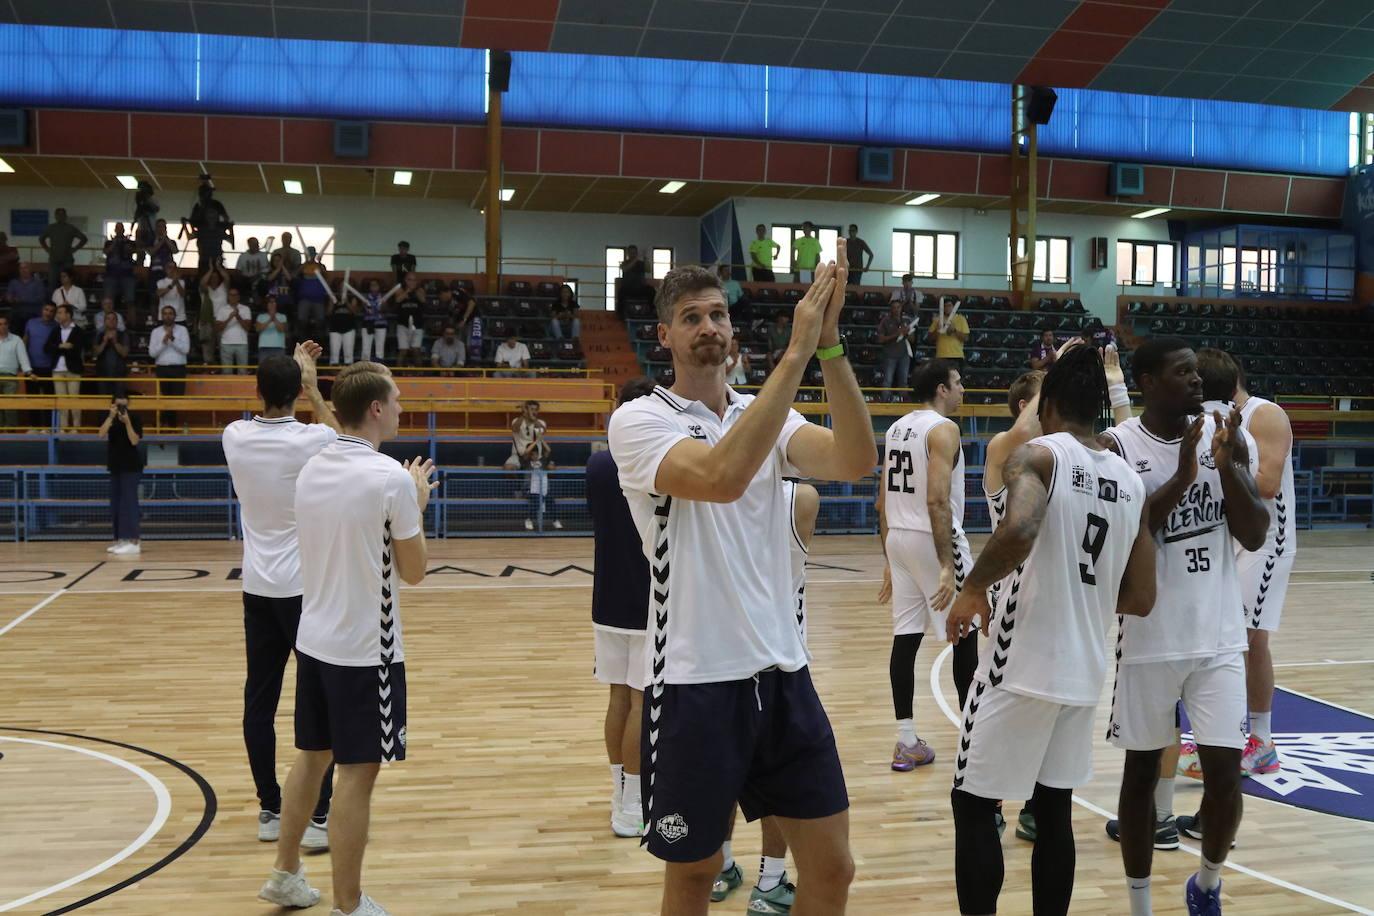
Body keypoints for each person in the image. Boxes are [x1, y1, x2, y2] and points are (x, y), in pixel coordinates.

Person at [607, 247, 873, 913]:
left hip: (784, 677)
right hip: (693, 687)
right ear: (663, 336)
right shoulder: (640, 420)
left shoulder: (770, 415)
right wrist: (796, 353)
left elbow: (854, 458)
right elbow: (720, 478)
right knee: (693, 877)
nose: (710, 327)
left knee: (834, 871)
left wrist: (830, 348)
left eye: (719, 314)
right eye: (691, 317)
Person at [945, 345, 1156, 916]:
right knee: (1055, 811)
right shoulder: (1130, 482)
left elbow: (1018, 530)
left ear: (1051, 403)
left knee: (973, 805)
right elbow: (1141, 596)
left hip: (1020, 663)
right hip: (1085, 670)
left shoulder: (1039, 457)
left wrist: (970, 589)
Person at [256, 361, 436, 916]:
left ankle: (286, 873)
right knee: (358, 775)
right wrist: (418, 503)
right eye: (397, 399)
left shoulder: (314, 467)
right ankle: (349, 904)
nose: (403, 407)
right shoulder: (390, 480)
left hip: (315, 641)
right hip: (366, 652)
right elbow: (414, 570)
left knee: (311, 759)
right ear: (377, 409)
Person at [1098, 337, 1267, 916]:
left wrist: (1228, 465)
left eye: (1198, 372)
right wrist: (1187, 471)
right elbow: (1135, 529)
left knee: (1226, 777)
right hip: (1149, 638)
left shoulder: (1225, 429)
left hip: (1218, 635)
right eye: (1183, 372)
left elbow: (1254, 532)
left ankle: (1208, 884)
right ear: (1146, 381)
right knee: (1141, 776)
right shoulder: (1118, 445)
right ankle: (1140, 903)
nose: (1197, 381)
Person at [224, 344, 342, 851]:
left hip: (256, 588)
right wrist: (313, 383)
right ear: (295, 392)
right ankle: (318, 814)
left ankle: (269, 808)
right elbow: (348, 438)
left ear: (256, 391)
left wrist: (296, 377)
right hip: (303, 590)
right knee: (318, 697)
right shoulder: (309, 440)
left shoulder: (234, 436)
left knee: (259, 699)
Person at [712, 480, 820, 913]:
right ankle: (771, 881)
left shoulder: (705, 487)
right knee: (777, 779)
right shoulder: (801, 497)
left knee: (723, 775)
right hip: (778, 660)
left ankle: (720, 868)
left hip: (717, 656)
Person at [1194, 349, 1296, 784]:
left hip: (1267, 541)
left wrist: (1216, 465)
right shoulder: (1212, 420)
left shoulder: (1264, 414)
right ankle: (1229, 738)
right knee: (1228, 638)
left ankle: (1260, 742)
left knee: (1249, 640)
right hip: (1233, 538)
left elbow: (1268, 484)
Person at [877, 358, 976, 772]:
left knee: (906, 638)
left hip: (899, 536)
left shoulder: (897, 428)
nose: (962, 389)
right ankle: (976, 740)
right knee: (966, 634)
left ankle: (906, 740)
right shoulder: (943, 428)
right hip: (932, 537)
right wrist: (947, 564)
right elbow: (937, 500)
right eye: (957, 383)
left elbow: (882, 498)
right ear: (940, 389)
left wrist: (888, 556)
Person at [586, 377, 658, 838]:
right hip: (650, 597)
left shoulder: (596, 464)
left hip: (606, 595)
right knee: (641, 700)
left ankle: (620, 792)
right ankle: (633, 803)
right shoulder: (653, 464)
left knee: (617, 697)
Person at [100, 391, 144, 556]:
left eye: (123, 405)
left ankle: (134, 540)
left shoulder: (135, 419)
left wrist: (127, 423)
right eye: (118, 405)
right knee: (116, 504)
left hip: (131, 467)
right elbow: (100, 434)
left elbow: (134, 440)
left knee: (129, 502)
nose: (121, 408)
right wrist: (111, 417)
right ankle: (120, 539)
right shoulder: (109, 419)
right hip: (115, 466)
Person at [507, 400, 559, 530]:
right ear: (525, 410)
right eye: (531, 409)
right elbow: (514, 428)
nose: (533, 411)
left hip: (535, 457)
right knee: (509, 468)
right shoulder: (517, 421)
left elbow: (543, 430)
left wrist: (532, 418)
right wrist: (524, 415)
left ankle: (530, 492)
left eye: (535, 409)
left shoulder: (540, 423)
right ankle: (519, 489)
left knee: (543, 470)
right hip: (518, 455)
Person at [149, 305, 191, 427]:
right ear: (161, 316)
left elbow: (186, 350)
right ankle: (164, 425)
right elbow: (152, 353)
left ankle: (170, 425)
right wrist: (163, 342)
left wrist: (172, 339)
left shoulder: (182, 330)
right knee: (164, 398)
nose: (168, 316)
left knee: (176, 399)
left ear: (175, 316)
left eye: (170, 313)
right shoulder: (155, 332)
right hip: (162, 368)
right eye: (165, 313)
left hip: (178, 369)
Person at [46, 303, 85, 431]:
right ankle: (63, 427)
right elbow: (47, 347)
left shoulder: (78, 331)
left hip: (73, 370)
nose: (58, 315)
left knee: (74, 400)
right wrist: (61, 346)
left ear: (68, 314)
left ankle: (76, 427)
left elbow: (77, 349)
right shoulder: (55, 330)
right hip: (57, 370)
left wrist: (61, 348)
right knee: (61, 401)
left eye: (60, 312)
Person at [345, 277, 399, 365]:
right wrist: (364, 304)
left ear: (379, 286)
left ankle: (379, 369)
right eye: (372, 285)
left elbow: (388, 310)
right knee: (366, 348)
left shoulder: (383, 297)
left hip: (381, 324)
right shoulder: (364, 297)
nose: (374, 287)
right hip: (368, 324)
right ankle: (364, 369)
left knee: (380, 349)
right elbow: (358, 311)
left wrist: (383, 305)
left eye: (375, 285)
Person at [23, 302, 57, 429]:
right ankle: (34, 426)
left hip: (50, 368)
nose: (48, 313)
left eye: (51, 311)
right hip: (32, 367)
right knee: (32, 397)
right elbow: (25, 341)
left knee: (49, 399)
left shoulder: (56, 326)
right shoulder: (31, 323)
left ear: (54, 313)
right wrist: (24, 363)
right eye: (46, 310)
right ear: (42, 310)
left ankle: (48, 427)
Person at [38, 207, 88, 290]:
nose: (60, 216)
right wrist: (47, 249)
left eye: (62, 214)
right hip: (54, 261)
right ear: (55, 216)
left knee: (67, 284)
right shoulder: (51, 228)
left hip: (67, 261)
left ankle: (67, 303)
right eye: (59, 214)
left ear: (65, 216)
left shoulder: (70, 228)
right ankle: (53, 302)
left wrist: (75, 249)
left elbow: (84, 238)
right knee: (52, 284)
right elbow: (41, 239)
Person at [294, 249, 334, 347]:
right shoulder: (302, 267)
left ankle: (319, 345)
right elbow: (294, 276)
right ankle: (302, 343)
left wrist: (319, 264)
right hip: (304, 299)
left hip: (318, 299)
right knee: (302, 320)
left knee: (320, 321)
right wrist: (304, 264)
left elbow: (328, 278)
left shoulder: (320, 266)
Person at [0, 314, 33, 430]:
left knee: (10, 405)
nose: (2, 326)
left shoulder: (16, 339)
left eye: (5, 324)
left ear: (8, 325)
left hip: (10, 377)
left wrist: (29, 372)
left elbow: (23, 358)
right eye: (0, 324)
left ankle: (10, 430)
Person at [877, 300, 915, 392]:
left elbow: (912, 340)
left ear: (901, 308)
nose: (896, 309)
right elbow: (880, 339)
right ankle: (885, 403)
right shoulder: (885, 321)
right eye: (894, 307)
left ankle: (903, 404)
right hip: (890, 355)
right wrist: (896, 334)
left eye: (898, 307)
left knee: (903, 381)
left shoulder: (906, 320)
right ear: (890, 309)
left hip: (904, 355)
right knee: (887, 381)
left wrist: (907, 333)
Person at [199, 262, 231, 368]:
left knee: (224, 349)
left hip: (222, 322)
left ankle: (224, 372)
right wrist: (211, 270)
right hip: (208, 323)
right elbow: (202, 283)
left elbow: (227, 278)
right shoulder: (205, 290)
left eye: (216, 277)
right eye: (212, 277)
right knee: (208, 349)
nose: (214, 279)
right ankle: (209, 371)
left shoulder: (223, 288)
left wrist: (218, 268)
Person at [93, 310, 131, 395]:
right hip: (103, 374)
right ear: (104, 321)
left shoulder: (123, 335)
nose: (111, 321)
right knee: (103, 403)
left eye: (114, 319)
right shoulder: (99, 335)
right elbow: (95, 353)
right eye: (108, 319)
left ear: (117, 322)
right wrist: (104, 342)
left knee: (119, 403)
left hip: (119, 375)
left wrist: (115, 342)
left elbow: (124, 353)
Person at [217, 286, 254, 374]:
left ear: (238, 297)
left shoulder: (245, 309)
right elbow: (218, 328)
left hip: (242, 344)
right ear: (228, 296)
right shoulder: (222, 309)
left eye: (235, 295)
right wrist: (230, 317)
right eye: (231, 295)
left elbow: (248, 328)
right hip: (226, 344)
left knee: (242, 371)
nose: (233, 297)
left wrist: (238, 316)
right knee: (226, 372)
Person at [102, 223, 138, 313]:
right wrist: (115, 242)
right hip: (111, 275)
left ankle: (132, 325)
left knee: (130, 301)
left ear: (123, 230)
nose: (119, 230)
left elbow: (133, 250)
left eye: (121, 228)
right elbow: (106, 252)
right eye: (117, 228)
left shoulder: (129, 242)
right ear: (115, 230)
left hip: (127, 275)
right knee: (108, 301)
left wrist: (125, 242)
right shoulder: (109, 242)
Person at [392, 274, 426, 367]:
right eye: (409, 280)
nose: (411, 282)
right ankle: (398, 374)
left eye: (414, 280)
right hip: (402, 324)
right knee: (403, 350)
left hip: (417, 324)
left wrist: (414, 291)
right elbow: (398, 300)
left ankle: (420, 374)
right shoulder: (400, 290)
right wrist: (407, 291)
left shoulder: (420, 290)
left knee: (416, 350)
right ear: (405, 280)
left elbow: (423, 300)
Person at [927, 296, 969, 367]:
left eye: (949, 305)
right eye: (945, 306)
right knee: (940, 378)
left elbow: (966, 338)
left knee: (956, 378)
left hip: (957, 356)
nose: (947, 308)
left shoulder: (961, 319)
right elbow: (930, 339)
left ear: (953, 307)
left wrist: (954, 330)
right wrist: (937, 331)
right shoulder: (937, 320)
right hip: (941, 356)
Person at [6, 262, 48, 331]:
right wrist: (9, 298)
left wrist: (21, 299)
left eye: (25, 268)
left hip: (33, 314)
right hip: (17, 314)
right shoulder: (13, 282)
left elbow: (41, 298)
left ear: (30, 269)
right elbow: (9, 295)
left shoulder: (38, 283)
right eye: (21, 268)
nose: (23, 270)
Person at [326, 290, 359, 366]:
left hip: (349, 329)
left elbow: (355, 312)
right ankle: (333, 372)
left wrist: (346, 302)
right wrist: (332, 303)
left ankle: (348, 370)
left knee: (348, 353)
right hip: (335, 329)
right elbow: (328, 313)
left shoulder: (352, 298)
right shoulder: (334, 298)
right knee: (334, 353)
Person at [256, 295, 290, 362]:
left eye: (274, 302)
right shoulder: (261, 316)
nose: (272, 304)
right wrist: (270, 319)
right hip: (264, 347)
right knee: (264, 369)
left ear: (277, 304)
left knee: (279, 369)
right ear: (266, 304)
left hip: (279, 347)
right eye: (270, 302)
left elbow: (282, 330)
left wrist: (274, 318)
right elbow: (258, 329)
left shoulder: (282, 316)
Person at [616, 246, 648, 319]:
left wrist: (645, 258)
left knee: (652, 291)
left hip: (640, 288)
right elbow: (625, 269)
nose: (632, 254)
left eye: (634, 253)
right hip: (628, 288)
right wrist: (635, 260)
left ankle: (653, 312)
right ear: (628, 254)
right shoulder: (624, 263)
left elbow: (649, 269)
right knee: (621, 292)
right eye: (631, 252)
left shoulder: (641, 263)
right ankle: (620, 315)